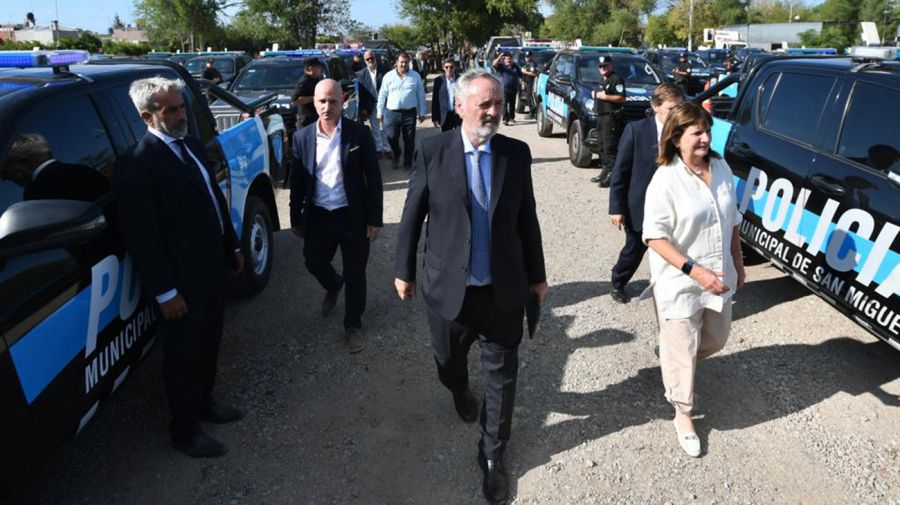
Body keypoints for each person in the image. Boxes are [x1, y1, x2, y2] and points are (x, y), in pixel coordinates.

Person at [394, 68, 548, 503]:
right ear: (459, 105)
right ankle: (459, 389)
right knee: (448, 361)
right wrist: (403, 270)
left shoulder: (515, 154)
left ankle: (493, 456)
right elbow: (411, 216)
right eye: (485, 104)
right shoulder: (433, 152)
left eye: (498, 103)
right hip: (448, 292)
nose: (495, 111)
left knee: (503, 379)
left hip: (502, 291)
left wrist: (536, 276)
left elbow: (526, 219)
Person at [114, 77, 245, 458]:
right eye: (170, 110)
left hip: (211, 267)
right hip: (180, 282)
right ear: (147, 116)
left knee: (208, 343)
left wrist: (232, 244)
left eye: (181, 106)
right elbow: (143, 235)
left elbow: (211, 198)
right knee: (182, 355)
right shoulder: (138, 163)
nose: (180, 114)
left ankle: (205, 403)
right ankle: (184, 430)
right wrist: (166, 291)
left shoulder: (189, 144)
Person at [642, 102, 745, 457]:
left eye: (707, 130)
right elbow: (654, 236)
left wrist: (738, 262)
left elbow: (731, 219)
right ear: (676, 137)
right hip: (681, 282)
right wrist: (696, 272)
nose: (705, 137)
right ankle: (682, 413)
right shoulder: (665, 179)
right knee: (683, 350)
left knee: (717, 338)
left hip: (720, 275)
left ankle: (672, 359)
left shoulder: (721, 166)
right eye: (696, 132)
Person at [290, 79, 383, 353]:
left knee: (356, 273)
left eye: (332, 101)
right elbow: (296, 182)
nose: (327, 107)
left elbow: (374, 178)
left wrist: (375, 219)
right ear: (314, 102)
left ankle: (352, 325)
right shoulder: (302, 138)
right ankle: (333, 284)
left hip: (353, 216)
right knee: (313, 261)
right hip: (319, 215)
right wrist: (296, 217)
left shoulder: (359, 134)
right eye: (321, 101)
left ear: (343, 101)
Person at [607, 83, 684, 304]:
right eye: (671, 108)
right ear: (656, 107)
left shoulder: (683, 133)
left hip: (672, 204)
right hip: (640, 205)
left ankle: (669, 288)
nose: (676, 114)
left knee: (672, 249)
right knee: (634, 249)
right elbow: (620, 172)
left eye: (679, 108)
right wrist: (616, 208)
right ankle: (618, 281)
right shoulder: (637, 130)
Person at [376, 51, 426, 170]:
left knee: (409, 139)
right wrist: (380, 111)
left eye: (406, 62)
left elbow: (420, 95)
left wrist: (422, 112)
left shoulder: (415, 76)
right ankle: (397, 154)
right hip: (391, 113)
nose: (404, 64)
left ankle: (408, 162)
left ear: (409, 63)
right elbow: (382, 94)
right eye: (401, 62)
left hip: (409, 113)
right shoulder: (388, 76)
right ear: (396, 63)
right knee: (391, 137)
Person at [591, 55, 625, 188]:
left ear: (611, 65)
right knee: (601, 145)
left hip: (611, 117)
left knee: (610, 146)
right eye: (601, 66)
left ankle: (612, 175)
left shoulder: (616, 79)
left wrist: (605, 96)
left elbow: (621, 98)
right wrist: (596, 94)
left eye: (605, 65)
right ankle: (604, 171)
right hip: (601, 116)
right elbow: (597, 93)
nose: (603, 68)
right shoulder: (602, 79)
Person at [355, 50, 391, 158]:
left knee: (386, 126)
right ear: (364, 60)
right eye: (367, 59)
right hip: (371, 105)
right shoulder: (360, 74)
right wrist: (363, 108)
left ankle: (387, 148)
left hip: (385, 103)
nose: (370, 60)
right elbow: (360, 93)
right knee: (375, 127)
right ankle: (378, 149)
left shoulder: (384, 70)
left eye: (372, 58)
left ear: (375, 58)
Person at [292, 57, 325, 128]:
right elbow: (295, 100)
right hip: (307, 120)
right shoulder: (304, 82)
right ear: (311, 69)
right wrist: (315, 98)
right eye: (318, 67)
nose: (321, 70)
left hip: (316, 117)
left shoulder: (316, 79)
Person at [491, 52, 523, 125]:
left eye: (509, 59)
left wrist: (523, 83)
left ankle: (512, 117)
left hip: (514, 88)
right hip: (504, 88)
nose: (508, 60)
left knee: (512, 104)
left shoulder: (515, 66)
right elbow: (494, 64)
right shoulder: (501, 66)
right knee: (504, 103)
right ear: (504, 60)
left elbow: (520, 75)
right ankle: (505, 119)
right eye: (506, 59)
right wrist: (500, 56)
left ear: (512, 59)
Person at [431, 57, 461, 132]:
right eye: (446, 67)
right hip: (445, 115)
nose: (449, 69)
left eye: (451, 67)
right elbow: (435, 100)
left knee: (459, 138)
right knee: (446, 139)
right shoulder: (438, 81)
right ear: (443, 68)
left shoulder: (461, 79)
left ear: (455, 68)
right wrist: (435, 118)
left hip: (458, 115)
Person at [521, 51, 539, 118]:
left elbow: (534, 74)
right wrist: (523, 82)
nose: (527, 58)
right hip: (527, 83)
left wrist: (524, 71)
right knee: (528, 98)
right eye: (526, 56)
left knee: (530, 98)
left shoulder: (532, 64)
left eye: (528, 56)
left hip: (531, 83)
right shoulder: (527, 64)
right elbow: (523, 75)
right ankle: (532, 112)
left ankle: (533, 113)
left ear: (531, 56)